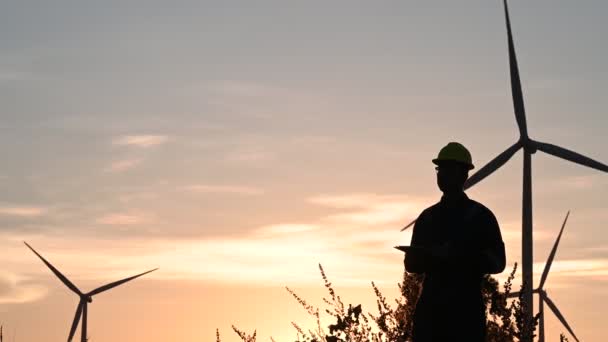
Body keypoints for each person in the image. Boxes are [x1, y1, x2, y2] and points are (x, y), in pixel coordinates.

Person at [404, 142, 506, 342]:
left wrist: (459, 256)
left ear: (464, 174)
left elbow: (498, 263)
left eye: (448, 169)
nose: (442, 174)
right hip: (430, 317)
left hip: (465, 316)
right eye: (439, 169)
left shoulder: (481, 217)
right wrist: (425, 256)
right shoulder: (427, 217)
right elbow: (411, 265)